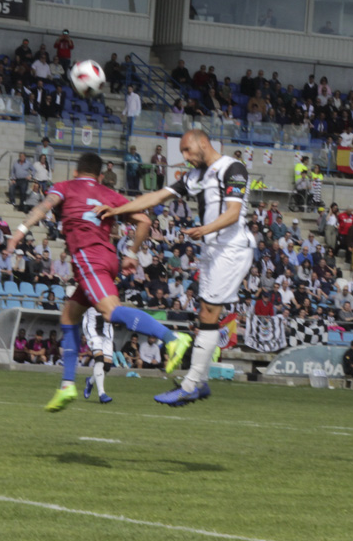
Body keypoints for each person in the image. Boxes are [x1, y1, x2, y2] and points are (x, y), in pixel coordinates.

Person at [6, 152, 190, 412]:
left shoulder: (65, 187)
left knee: (111, 311)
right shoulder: (109, 194)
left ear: (75, 172)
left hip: (87, 257)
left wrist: (18, 234)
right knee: (69, 316)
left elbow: (43, 207)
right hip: (106, 257)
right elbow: (145, 220)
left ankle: (172, 339)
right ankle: (67, 385)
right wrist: (132, 253)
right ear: (100, 175)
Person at [97, 130, 254, 406]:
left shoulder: (233, 168)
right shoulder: (195, 177)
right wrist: (116, 210)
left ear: (203, 143)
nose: (185, 157)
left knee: (208, 312)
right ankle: (199, 383)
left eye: (187, 151)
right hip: (212, 251)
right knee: (206, 316)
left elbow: (233, 213)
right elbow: (157, 197)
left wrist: (205, 229)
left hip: (232, 249)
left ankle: (191, 386)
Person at [81, 307, 114, 404]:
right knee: (99, 359)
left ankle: (90, 381)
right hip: (92, 328)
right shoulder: (89, 292)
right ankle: (102, 394)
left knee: (107, 367)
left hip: (107, 329)